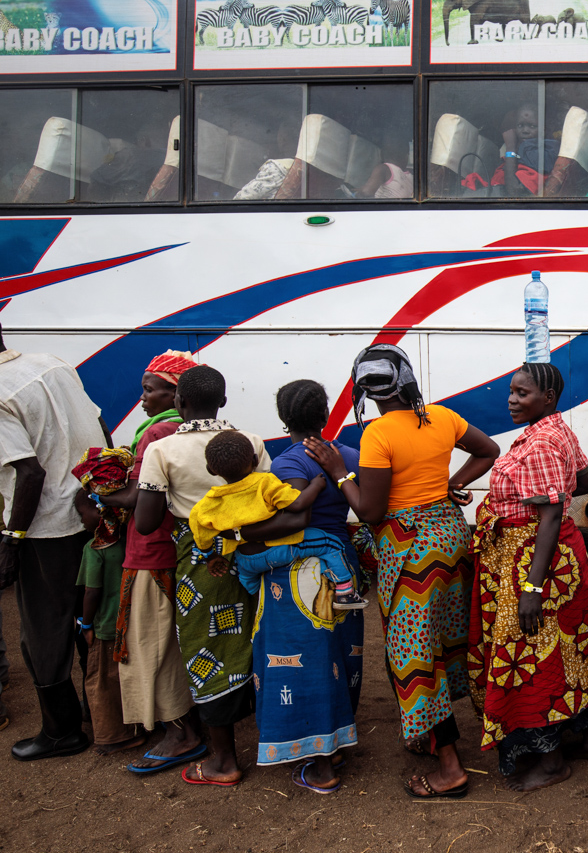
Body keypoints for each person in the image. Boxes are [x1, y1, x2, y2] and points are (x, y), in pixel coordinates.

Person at [308, 343, 498, 800]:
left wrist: (338, 472)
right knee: (447, 639)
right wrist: (452, 484)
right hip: (451, 540)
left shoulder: (377, 435)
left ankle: (450, 766)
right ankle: (427, 734)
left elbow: (371, 510)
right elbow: (488, 450)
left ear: (365, 390)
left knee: (412, 655)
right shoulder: (441, 417)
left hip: (411, 552)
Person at [470, 363, 588, 791]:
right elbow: (586, 480)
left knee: (532, 658)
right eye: (512, 392)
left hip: (535, 563)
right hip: (564, 561)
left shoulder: (540, 443)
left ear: (548, 398)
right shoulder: (558, 429)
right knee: (571, 650)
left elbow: (551, 515)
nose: (512, 400)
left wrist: (532, 588)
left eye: (522, 394)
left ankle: (552, 761)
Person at [133, 365, 267, 786]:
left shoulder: (162, 451)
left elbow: (146, 521)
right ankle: (277, 741)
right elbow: (267, 499)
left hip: (199, 561)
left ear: (179, 402)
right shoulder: (251, 442)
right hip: (251, 554)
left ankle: (223, 760)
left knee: (207, 648)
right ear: (224, 401)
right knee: (254, 639)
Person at [241, 380, 368, 794]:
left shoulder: (288, 465)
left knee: (302, 661)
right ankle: (337, 743)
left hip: (302, 574)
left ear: (283, 419)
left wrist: (244, 532)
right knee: (339, 654)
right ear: (325, 414)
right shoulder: (347, 454)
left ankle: (321, 763)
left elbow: (295, 522)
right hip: (342, 564)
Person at [0, 327, 106, 760]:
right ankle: (99, 711)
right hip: (89, 512)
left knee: (43, 632)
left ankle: (61, 731)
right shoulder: (53, 363)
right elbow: (100, 426)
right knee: (90, 617)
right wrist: (105, 492)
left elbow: (29, 474)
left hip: (45, 530)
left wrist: (11, 541)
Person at [100, 350, 206, 775]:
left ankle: (181, 734)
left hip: (151, 554)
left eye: (149, 389)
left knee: (152, 644)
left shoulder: (157, 434)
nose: (141, 397)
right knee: (176, 643)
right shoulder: (196, 431)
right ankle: (188, 724)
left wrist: (97, 492)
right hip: (180, 550)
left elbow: (142, 505)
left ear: (175, 393)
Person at [72, 485, 143, 755]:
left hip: (105, 628)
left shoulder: (95, 548)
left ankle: (115, 736)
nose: (80, 519)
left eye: (82, 513)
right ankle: (140, 726)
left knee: (101, 682)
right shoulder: (130, 540)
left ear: (101, 512)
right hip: (132, 621)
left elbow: (92, 591)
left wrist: (85, 624)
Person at [188, 431, 325, 557]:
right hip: (278, 550)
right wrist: (316, 485)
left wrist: (209, 556)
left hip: (246, 559)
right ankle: (342, 582)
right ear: (255, 460)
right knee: (329, 543)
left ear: (211, 470)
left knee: (250, 583)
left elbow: (200, 534)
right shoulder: (264, 483)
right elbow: (297, 503)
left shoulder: (209, 503)